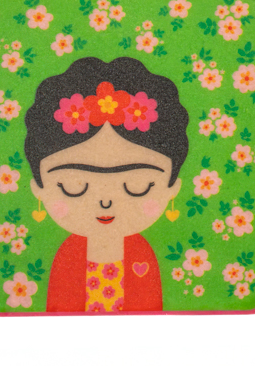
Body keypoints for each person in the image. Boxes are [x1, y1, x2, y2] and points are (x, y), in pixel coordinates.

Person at [24, 56, 188, 312]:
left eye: (137, 185)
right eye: (73, 187)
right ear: (39, 188)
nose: (105, 201)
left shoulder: (143, 256)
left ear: (172, 188)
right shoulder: (67, 257)